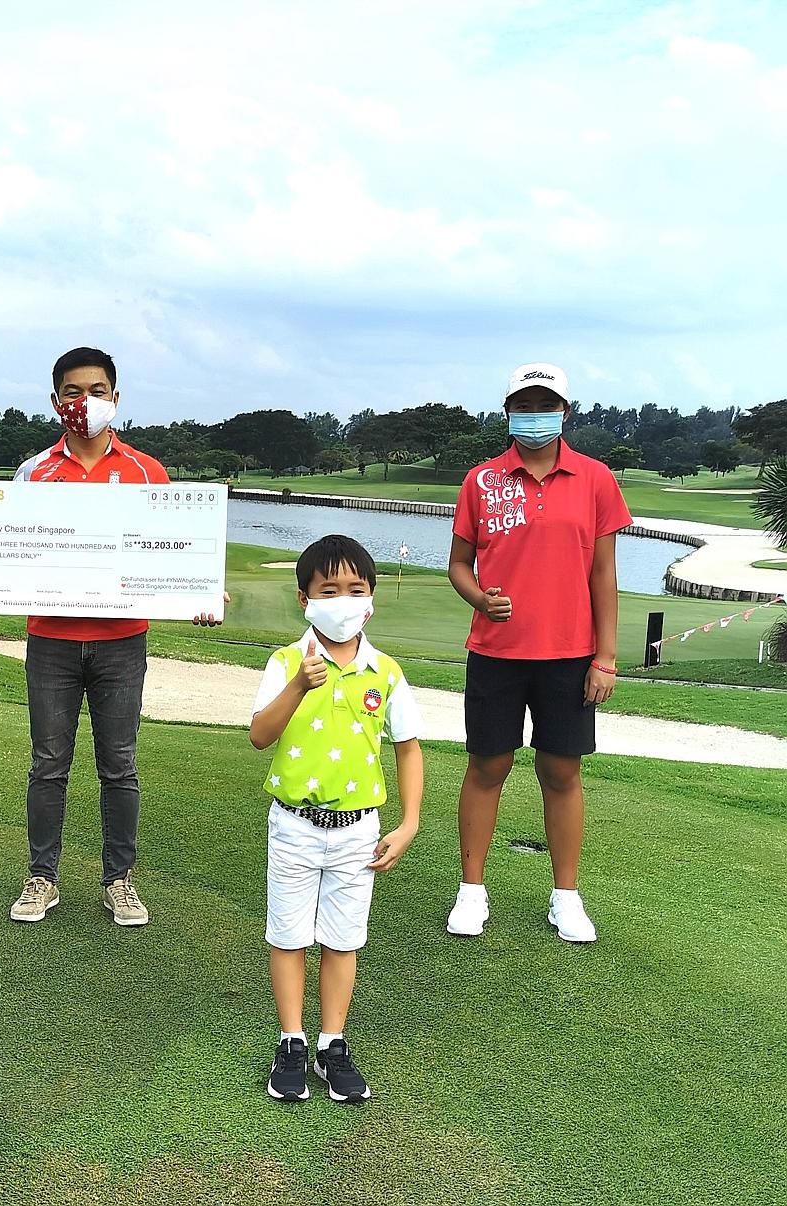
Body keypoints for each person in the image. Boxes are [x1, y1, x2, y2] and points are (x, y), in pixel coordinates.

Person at [0, 347, 222, 928]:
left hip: (122, 642)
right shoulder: (33, 472)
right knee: (49, 762)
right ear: (55, 401)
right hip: (52, 642)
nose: (83, 402)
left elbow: (174, 550)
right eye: (72, 391)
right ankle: (42, 877)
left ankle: (119, 880)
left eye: (96, 391)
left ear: (115, 399)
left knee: (119, 764)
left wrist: (196, 595)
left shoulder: (148, 472)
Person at [445, 363, 631, 944]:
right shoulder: (481, 481)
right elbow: (458, 564)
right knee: (487, 766)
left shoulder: (596, 479)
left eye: (545, 404)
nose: (534, 413)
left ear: (565, 412)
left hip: (570, 654)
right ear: (507, 410)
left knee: (561, 770)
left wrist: (606, 657)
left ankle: (566, 896)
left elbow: (603, 574)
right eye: (524, 403)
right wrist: (480, 597)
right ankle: (472, 890)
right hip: (497, 651)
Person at [251, 535, 423, 1103]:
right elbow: (260, 735)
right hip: (294, 824)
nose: (343, 600)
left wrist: (410, 821)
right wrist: (301, 684)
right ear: (305, 599)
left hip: (358, 830)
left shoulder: (387, 672)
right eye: (329, 590)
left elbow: (407, 747)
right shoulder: (283, 663)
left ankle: (332, 1043)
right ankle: (291, 1040)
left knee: (343, 938)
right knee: (289, 933)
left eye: (355, 589)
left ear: (370, 599)